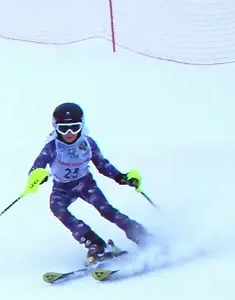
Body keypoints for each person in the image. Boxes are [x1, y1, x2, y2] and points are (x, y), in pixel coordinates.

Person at [23, 102, 151, 262]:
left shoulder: (87, 144)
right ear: (55, 127)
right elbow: (38, 166)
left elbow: (102, 165)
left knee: (106, 210)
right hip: (63, 187)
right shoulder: (52, 147)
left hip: (85, 183)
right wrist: (37, 176)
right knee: (56, 207)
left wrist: (121, 177)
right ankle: (95, 244)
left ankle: (140, 234)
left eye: (74, 127)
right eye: (63, 129)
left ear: (82, 126)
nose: (69, 133)